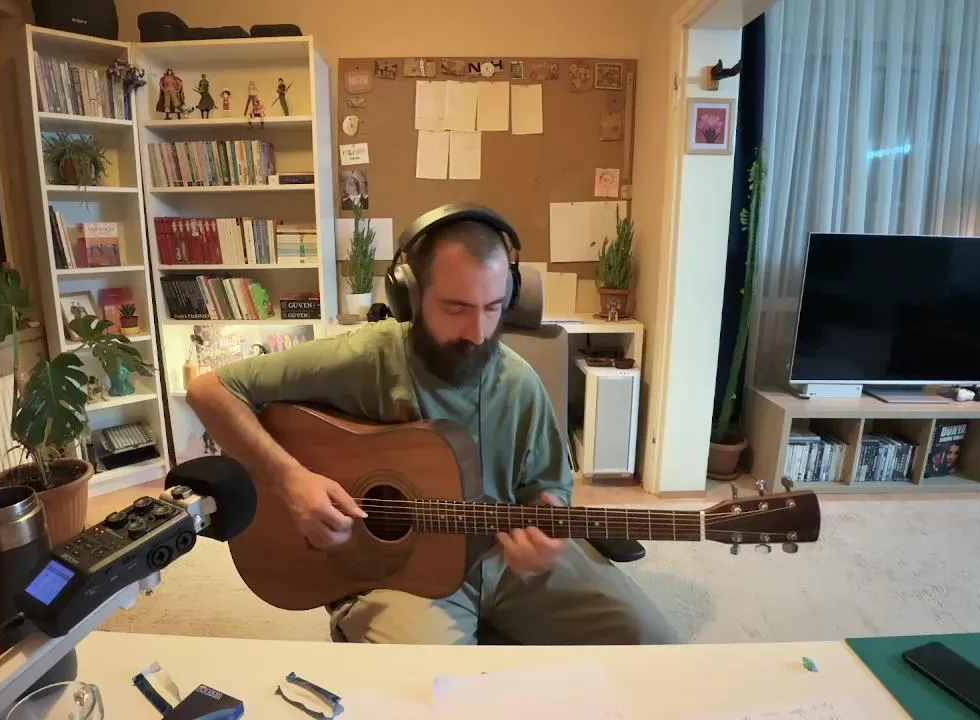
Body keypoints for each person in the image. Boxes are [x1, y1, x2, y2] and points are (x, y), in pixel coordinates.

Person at [186, 210, 674, 645]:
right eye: (456, 308)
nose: (478, 333)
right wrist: (292, 479)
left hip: (504, 565)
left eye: (493, 307)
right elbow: (210, 391)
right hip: (400, 574)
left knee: (652, 644)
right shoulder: (367, 357)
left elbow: (550, 489)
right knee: (430, 694)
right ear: (411, 296)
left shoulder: (519, 383)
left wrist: (546, 540)